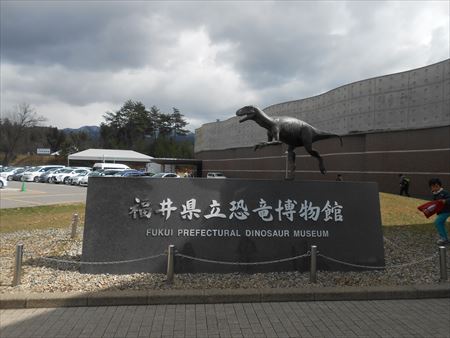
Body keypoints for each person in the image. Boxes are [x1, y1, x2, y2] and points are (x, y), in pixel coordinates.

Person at [428, 178, 450, 245]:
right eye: (432, 187)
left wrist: (445, 201)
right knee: (440, 223)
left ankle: (444, 238)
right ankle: (445, 238)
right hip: (441, 212)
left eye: (435, 186)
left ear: (438, 186)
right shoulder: (435, 194)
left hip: (447, 211)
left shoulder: (444, 193)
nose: (433, 188)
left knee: (438, 222)